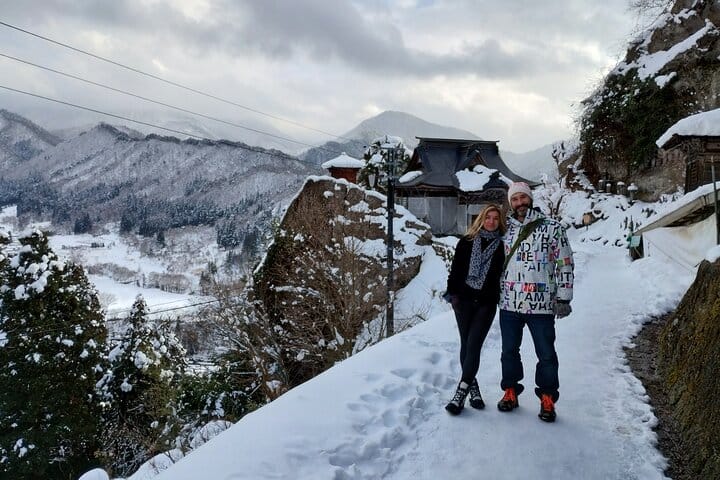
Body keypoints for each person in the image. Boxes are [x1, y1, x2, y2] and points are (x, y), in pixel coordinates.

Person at [496, 182, 574, 422]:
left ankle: (547, 397)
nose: (519, 203)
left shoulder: (552, 228)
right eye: (514, 199)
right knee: (509, 352)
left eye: (523, 198)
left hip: (541, 304)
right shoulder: (504, 231)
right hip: (509, 303)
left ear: (530, 198)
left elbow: (565, 264)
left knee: (546, 353)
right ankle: (510, 390)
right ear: (510, 203)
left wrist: (564, 297)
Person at [444, 204, 506, 415]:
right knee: (466, 344)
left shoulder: (503, 246)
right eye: (488, 217)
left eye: (495, 218)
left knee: (474, 345)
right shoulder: (467, 242)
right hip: (463, 301)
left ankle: (461, 392)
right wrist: (453, 295)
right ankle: (473, 387)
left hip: (487, 303)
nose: (491, 221)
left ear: (500, 221)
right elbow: (455, 271)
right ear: (481, 219)